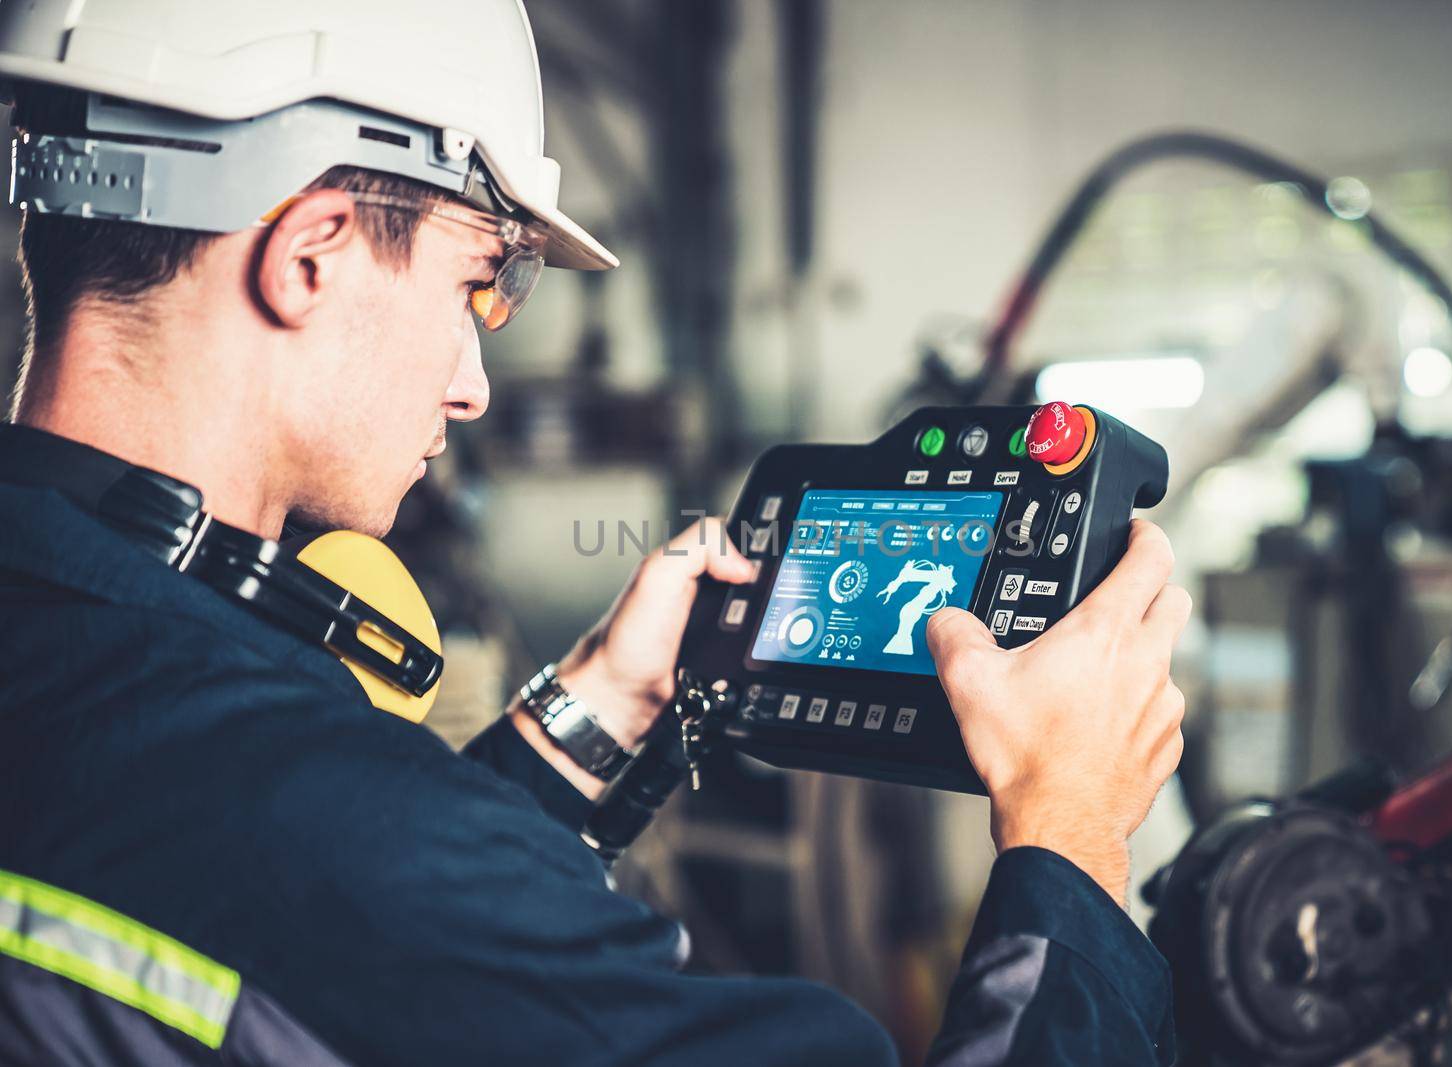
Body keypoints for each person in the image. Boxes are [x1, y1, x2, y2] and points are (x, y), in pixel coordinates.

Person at [0, 3, 1189, 1064]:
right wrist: (1069, 833)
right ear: (310, 254)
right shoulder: (329, 828)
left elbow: (335, 934)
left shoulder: (122, 698)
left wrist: (601, 702)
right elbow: (365, 884)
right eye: (478, 285)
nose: (471, 384)